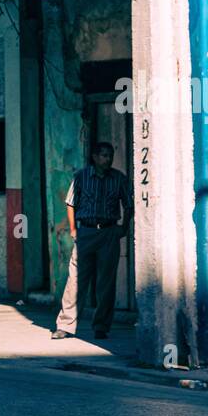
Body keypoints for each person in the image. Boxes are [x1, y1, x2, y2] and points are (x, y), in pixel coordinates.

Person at [52, 141, 132, 340]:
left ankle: (101, 326)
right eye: (103, 155)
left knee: (106, 282)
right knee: (76, 280)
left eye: (110, 155)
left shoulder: (118, 178)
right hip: (86, 231)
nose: (107, 159)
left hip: (108, 232)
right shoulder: (81, 177)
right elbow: (70, 203)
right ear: (95, 157)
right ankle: (66, 325)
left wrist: (124, 227)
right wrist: (73, 229)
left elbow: (128, 204)